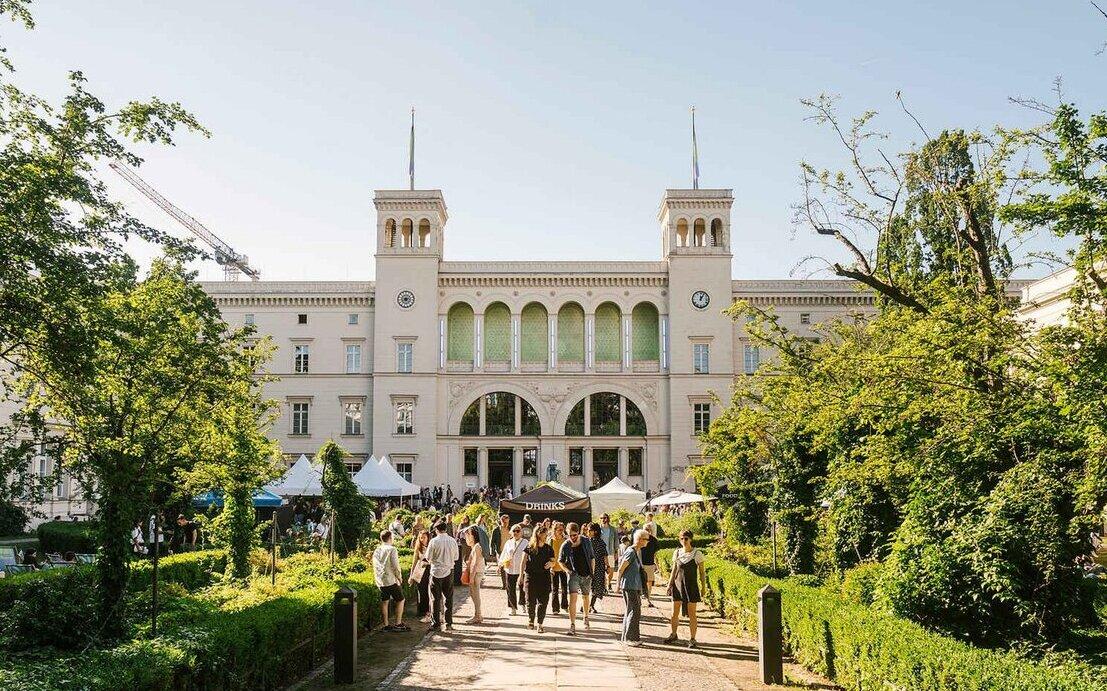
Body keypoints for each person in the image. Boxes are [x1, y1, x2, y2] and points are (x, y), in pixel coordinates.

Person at [665, 530, 707, 648]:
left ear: (691, 539)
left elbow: (702, 573)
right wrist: (669, 584)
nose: (684, 541)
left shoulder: (697, 554)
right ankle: (673, 634)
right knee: (674, 613)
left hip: (691, 586)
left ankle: (693, 638)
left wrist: (703, 587)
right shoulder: (677, 553)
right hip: (678, 586)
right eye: (681, 539)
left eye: (686, 539)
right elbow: (674, 570)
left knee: (692, 614)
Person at [557, 522, 594, 635]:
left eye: (574, 535)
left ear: (578, 533)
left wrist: (592, 572)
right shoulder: (566, 545)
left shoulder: (586, 541)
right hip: (574, 574)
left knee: (586, 597)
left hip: (586, 574)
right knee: (572, 599)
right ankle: (572, 625)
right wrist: (567, 571)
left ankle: (586, 617)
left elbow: (592, 557)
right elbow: (560, 560)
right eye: (570, 535)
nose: (572, 537)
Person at [372, 530, 409, 631]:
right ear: (390, 538)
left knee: (384, 601)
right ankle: (398, 623)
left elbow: (375, 565)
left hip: (380, 580)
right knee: (401, 599)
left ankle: (386, 625)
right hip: (390, 579)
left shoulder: (377, 550)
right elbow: (395, 566)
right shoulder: (392, 549)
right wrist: (399, 577)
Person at [618, 529, 649, 646]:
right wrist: (617, 585)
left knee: (632, 610)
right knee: (634, 611)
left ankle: (629, 637)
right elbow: (621, 568)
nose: (647, 541)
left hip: (633, 585)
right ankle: (630, 638)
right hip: (629, 585)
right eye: (646, 539)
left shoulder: (636, 551)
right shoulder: (631, 551)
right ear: (640, 540)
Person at [521, 524, 554, 632]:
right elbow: (523, 562)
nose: (544, 535)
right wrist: (521, 576)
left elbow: (554, 561)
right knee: (530, 600)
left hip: (544, 578)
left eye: (545, 533)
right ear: (537, 534)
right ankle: (531, 620)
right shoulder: (529, 548)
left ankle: (540, 623)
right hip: (531, 577)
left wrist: (551, 564)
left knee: (543, 601)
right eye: (542, 533)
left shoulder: (549, 548)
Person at [427, 522, 460, 632]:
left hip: (436, 571)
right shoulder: (452, 541)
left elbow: (428, 557)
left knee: (435, 599)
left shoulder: (433, 541)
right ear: (446, 529)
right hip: (449, 571)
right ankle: (448, 623)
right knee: (448, 598)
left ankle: (436, 623)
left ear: (436, 530)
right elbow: (456, 557)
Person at [498, 523, 528, 616]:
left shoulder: (525, 542)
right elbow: (504, 554)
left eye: (518, 531)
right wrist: (500, 565)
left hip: (521, 570)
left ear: (521, 532)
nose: (516, 532)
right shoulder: (508, 542)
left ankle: (523, 604)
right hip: (509, 569)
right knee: (510, 589)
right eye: (514, 531)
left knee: (522, 588)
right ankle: (513, 608)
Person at [463, 528, 485, 624]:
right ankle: (478, 615)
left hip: (476, 573)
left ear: (473, 536)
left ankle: (478, 615)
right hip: (475, 573)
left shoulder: (476, 547)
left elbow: (475, 563)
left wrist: (471, 577)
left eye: (468, 535)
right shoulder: (475, 547)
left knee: (475, 594)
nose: (466, 537)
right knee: (473, 594)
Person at [411, 529, 433, 623]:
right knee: (422, 591)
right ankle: (424, 612)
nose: (422, 539)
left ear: (428, 537)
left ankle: (431, 612)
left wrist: (427, 564)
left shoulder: (431, 546)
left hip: (430, 571)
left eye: (424, 537)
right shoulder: (418, 548)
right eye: (420, 538)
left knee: (431, 591)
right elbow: (414, 561)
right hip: (421, 572)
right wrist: (411, 575)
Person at [587, 522, 608, 613]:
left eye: (589, 530)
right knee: (591, 587)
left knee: (595, 587)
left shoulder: (598, 542)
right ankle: (587, 605)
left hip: (597, 567)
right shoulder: (587, 541)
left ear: (595, 531)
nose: (588, 531)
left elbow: (604, 555)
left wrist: (607, 566)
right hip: (591, 567)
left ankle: (590, 605)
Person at [549, 522, 568, 614]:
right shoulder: (551, 541)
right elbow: (548, 555)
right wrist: (550, 567)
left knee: (565, 588)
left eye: (562, 529)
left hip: (563, 568)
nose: (561, 531)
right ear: (554, 530)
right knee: (555, 589)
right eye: (559, 530)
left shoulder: (565, 540)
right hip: (553, 568)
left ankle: (564, 605)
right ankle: (555, 608)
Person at [640, 529, 660, 607]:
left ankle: (648, 599)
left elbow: (656, 551)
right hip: (641, 563)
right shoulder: (640, 538)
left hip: (650, 563)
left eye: (648, 530)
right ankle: (641, 599)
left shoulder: (653, 539)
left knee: (649, 582)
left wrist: (655, 562)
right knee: (642, 582)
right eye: (645, 530)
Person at [491, 514, 511, 590]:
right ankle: (504, 584)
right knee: (502, 568)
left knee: (508, 567)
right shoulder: (496, 530)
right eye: (505, 522)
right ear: (501, 521)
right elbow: (492, 542)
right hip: (501, 551)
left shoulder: (510, 529)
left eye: (507, 522)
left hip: (509, 552)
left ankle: (508, 583)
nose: (506, 524)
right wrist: (492, 552)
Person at [598, 514, 618, 586]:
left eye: (604, 518)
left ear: (607, 518)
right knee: (602, 571)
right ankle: (604, 585)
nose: (603, 519)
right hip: (600, 553)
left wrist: (616, 552)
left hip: (610, 552)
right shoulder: (598, 529)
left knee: (611, 570)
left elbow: (616, 541)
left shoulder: (613, 529)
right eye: (601, 518)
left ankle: (608, 583)